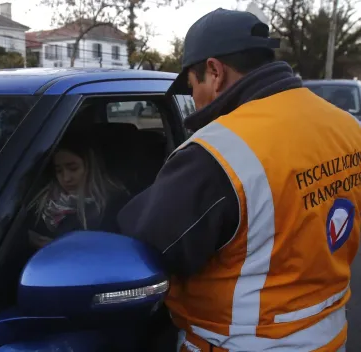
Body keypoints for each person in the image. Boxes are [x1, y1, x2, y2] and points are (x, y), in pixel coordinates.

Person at [117, 8, 361, 352]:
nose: (195, 100)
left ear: (214, 71)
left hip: (240, 343)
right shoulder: (347, 127)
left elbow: (149, 250)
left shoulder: (216, 154)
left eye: (192, 85)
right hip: (329, 335)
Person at [28, 133, 129, 249]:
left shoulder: (114, 205)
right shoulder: (41, 204)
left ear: (91, 167)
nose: (66, 178)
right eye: (59, 171)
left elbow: (111, 250)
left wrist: (59, 248)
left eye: (73, 169)